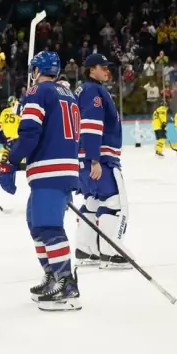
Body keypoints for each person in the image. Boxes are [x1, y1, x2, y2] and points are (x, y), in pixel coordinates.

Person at [0, 51, 81, 311]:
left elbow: (31, 133)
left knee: (49, 226)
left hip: (49, 168)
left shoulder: (37, 93)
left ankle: (67, 285)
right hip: (63, 167)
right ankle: (53, 275)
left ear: (36, 71)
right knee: (36, 223)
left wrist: (11, 160)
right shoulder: (70, 95)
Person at [74, 54, 129, 269]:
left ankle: (86, 249)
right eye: (103, 67)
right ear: (91, 70)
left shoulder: (82, 91)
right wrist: (94, 159)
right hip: (99, 159)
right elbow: (91, 126)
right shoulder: (94, 92)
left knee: (92, 202)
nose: (107, 71)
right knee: (113, 202)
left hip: (83, 159)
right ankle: (111, 252)